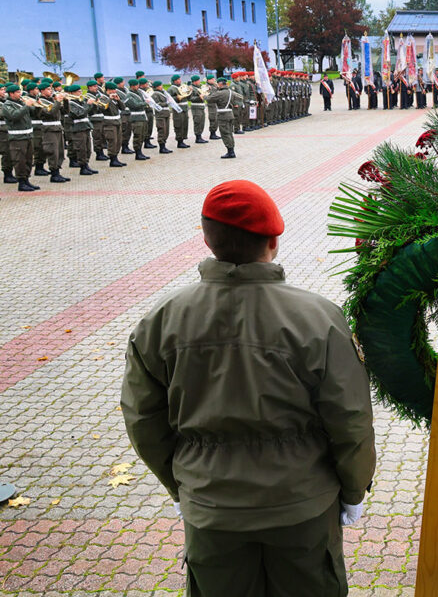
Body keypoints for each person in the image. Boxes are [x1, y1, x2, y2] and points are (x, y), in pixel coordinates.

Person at [122, 180, 376, 597]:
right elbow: (350, 420)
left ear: (206, 240)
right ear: (274, 242)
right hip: (303, 506)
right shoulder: (319, 318)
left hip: (211, 509)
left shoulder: (162, 320)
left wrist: (182, 484)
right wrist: (353, 489)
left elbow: (143, 418)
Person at [206, 77, 243, 159]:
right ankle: (231, 149)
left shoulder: (220, 93)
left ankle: (230, 152)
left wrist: (204, 96)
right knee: (229, 133)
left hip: (223, 115)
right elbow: (240, 97)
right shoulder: (231, 92)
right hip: (230, 114)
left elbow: (209, 99)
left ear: (220, 84)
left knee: (225, 133)